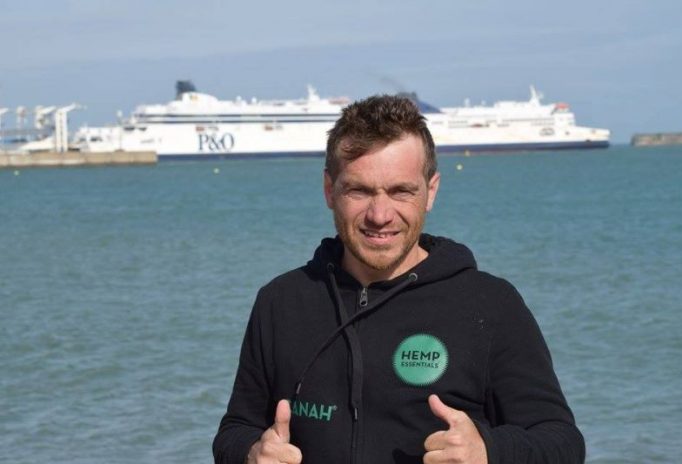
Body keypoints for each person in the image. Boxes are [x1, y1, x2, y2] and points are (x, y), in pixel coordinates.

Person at [213, 95, 584, 464]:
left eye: (401, 191)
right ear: (329, 190)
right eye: (359, 190)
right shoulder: (280, 301)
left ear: (430, 192)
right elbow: (235, 430)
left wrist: (489, 451)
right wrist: (252, 453)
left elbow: (563, 443)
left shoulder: (491, 304)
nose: (380, 215)